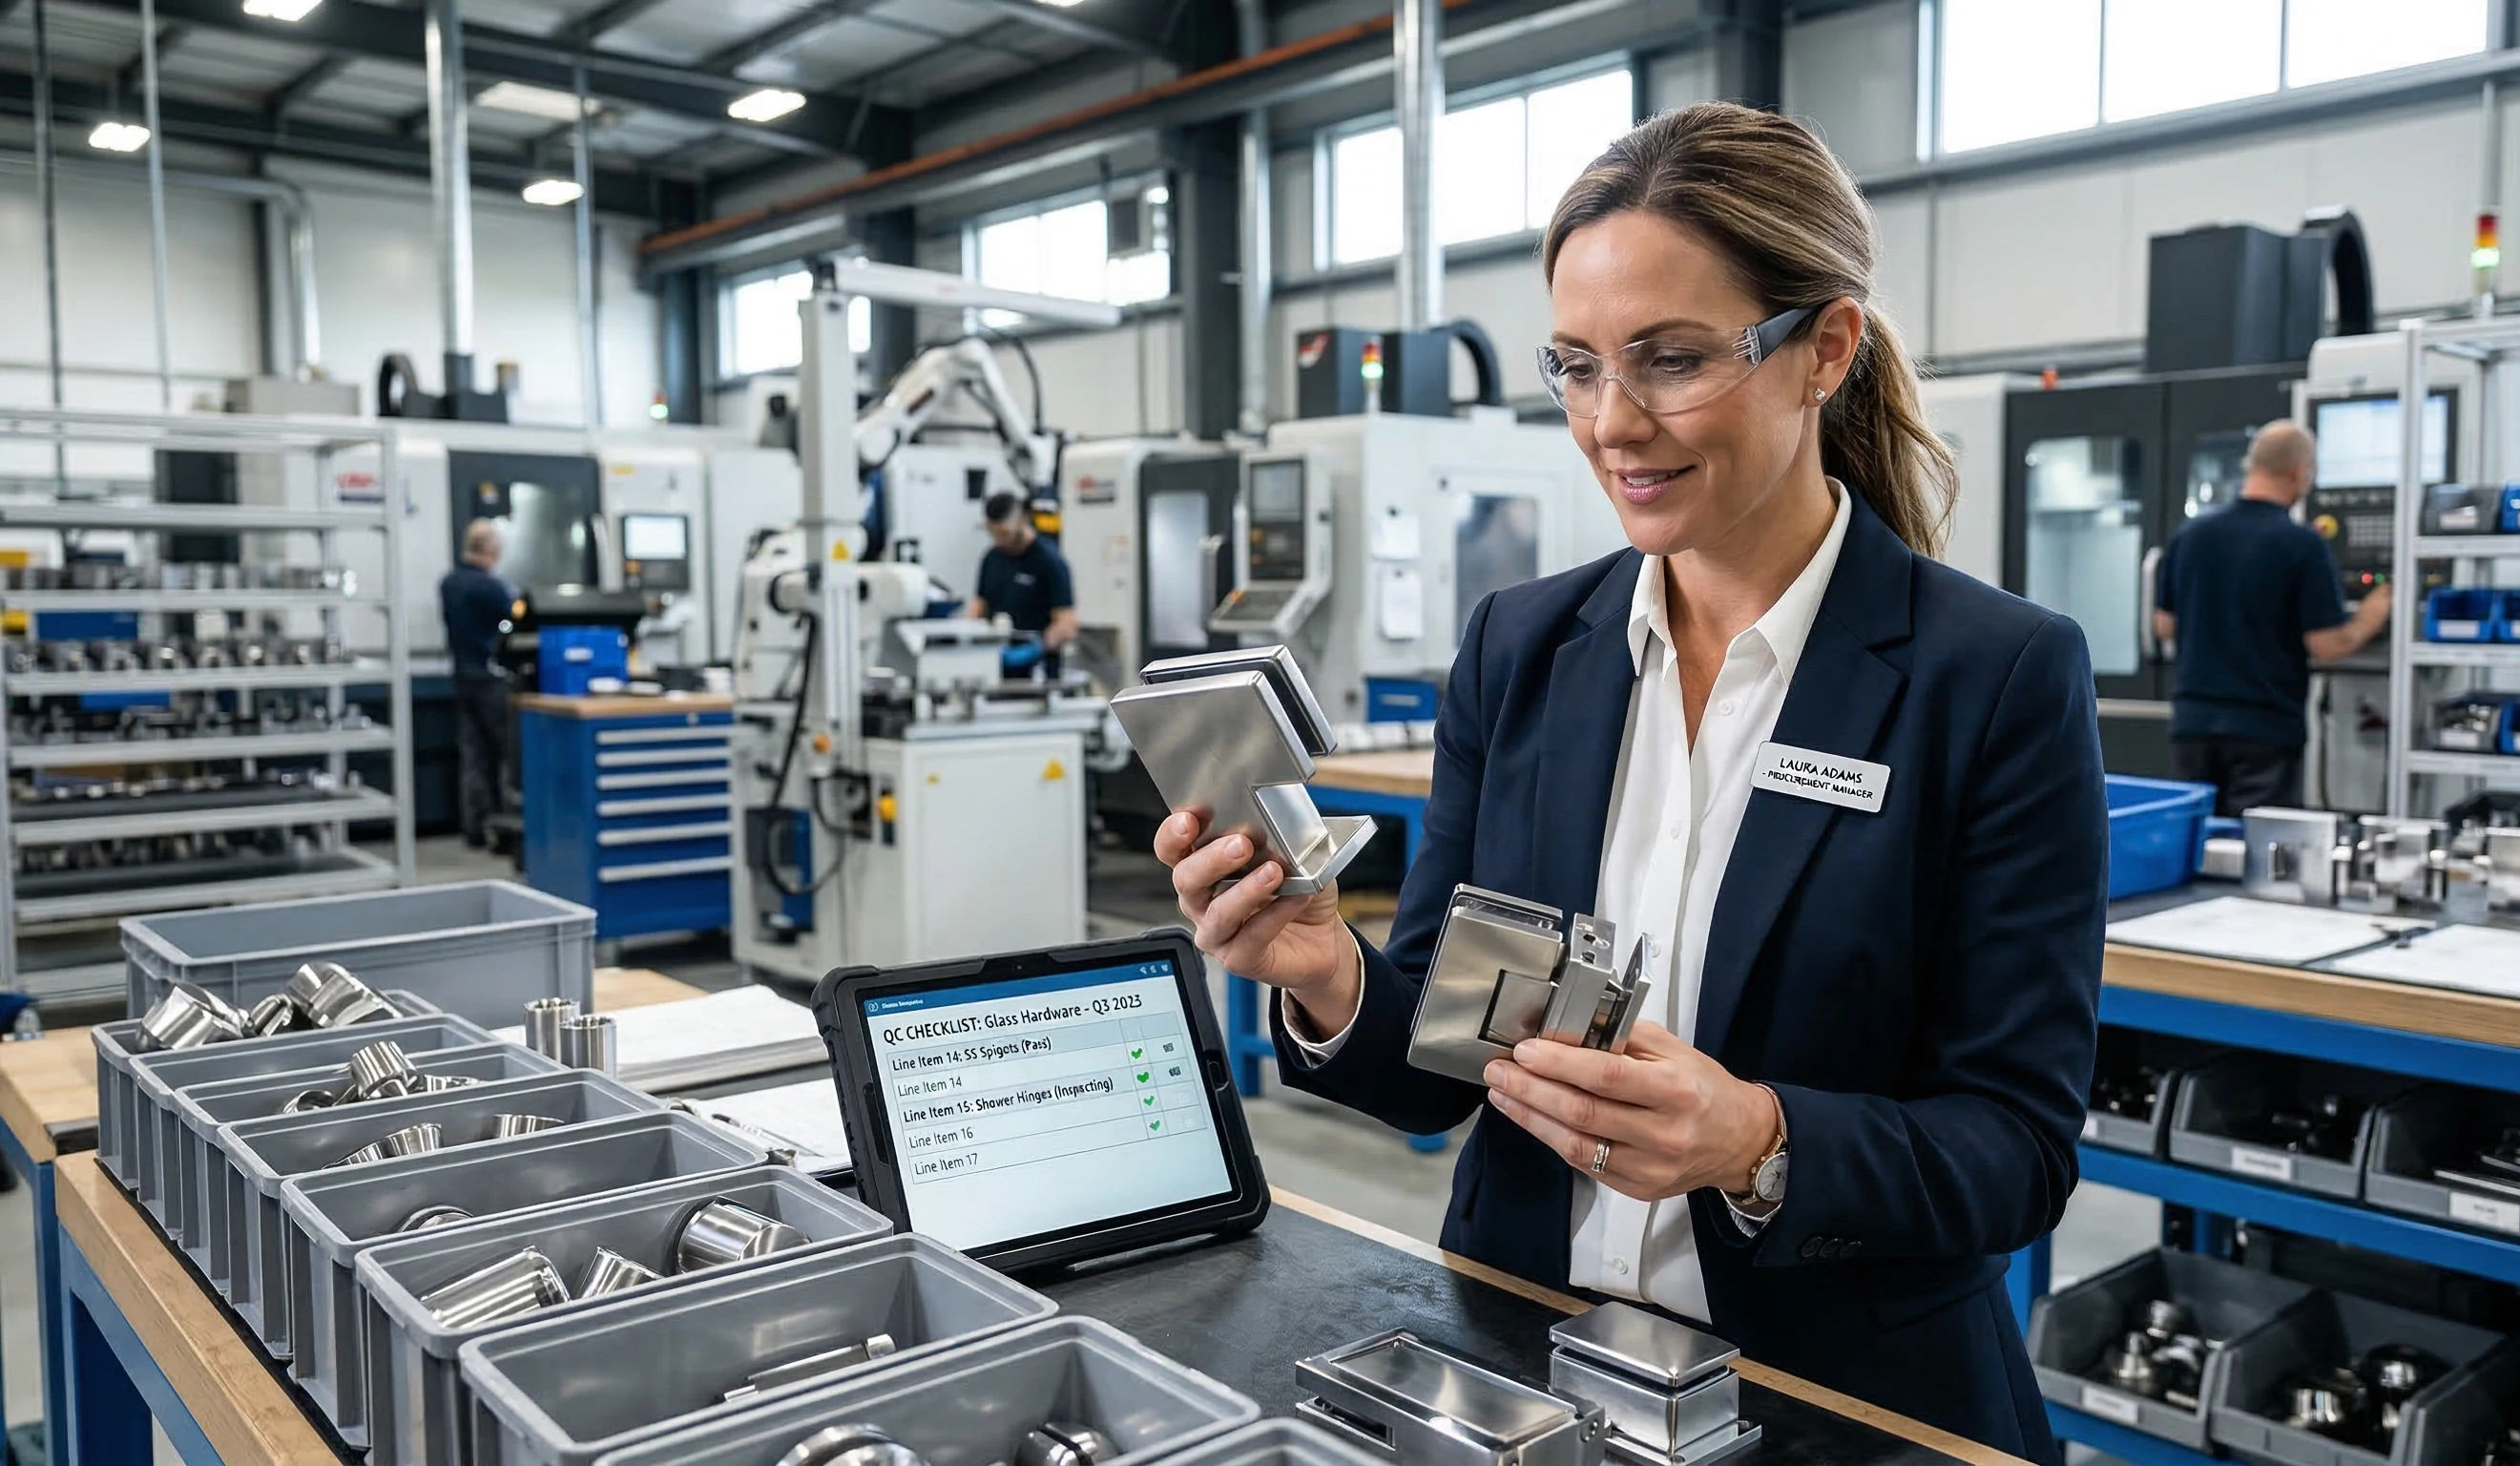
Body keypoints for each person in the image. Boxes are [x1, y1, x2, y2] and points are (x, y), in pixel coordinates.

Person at [1153, 103, 2103, 1465]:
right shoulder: (1527, 648)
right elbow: (1447, 1064)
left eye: (1670, 361)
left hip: (1840, 1402)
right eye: (1578, 366)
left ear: (1821, 350)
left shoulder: (1991, 677)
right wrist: (1326, 974)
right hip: (1521, 1368)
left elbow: (2016, 1146)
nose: (1614, 424)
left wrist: (1757, 1142)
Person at [2155, 420, 2391, 816]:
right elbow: (2327, 645)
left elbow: (2164, 626)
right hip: (2263, 730)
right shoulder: (2301, 544)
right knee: (2258, 854)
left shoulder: (2191, 535)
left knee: (2199, 846)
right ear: (2301, 472)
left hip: (2193, 727)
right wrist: (2372, 615)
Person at [440, 518, 516, 848]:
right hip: (492, 679)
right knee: (506, 757)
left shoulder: (449, 583)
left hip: (462, 676)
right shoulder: (490, 587)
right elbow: (518, 619)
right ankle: (506, 831)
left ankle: (474, 828)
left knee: (473, 756)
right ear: (490, 548)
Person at [968, 490, 1077, 679]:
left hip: (1038, 673)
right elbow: (979, 606)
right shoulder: (992, 558)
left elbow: (1066, 624)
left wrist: (1037, 648)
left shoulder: (1048, 561)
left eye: (1004, 534)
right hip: (996, 671)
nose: (999, 541)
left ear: (1023, 520)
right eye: (993, 534)